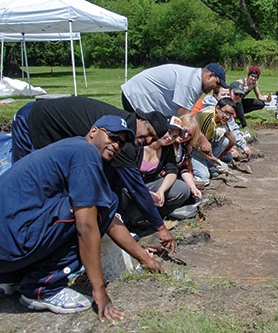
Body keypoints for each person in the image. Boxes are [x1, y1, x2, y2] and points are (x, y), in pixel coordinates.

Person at [0, 115, 162, 321]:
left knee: (98, 204)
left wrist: (143, 258)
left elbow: (112, 222)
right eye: (113, 137)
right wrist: (100, 291)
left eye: (122, 143)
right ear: (94, 131)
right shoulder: (85, 153)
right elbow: (87, 227)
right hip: (8, 248)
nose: (116, 145)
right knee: (98, 207)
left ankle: (12, 278)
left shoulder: (71, 148)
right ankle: (43, 287)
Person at [11, 97, 175, 251]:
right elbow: (136, 188)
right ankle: (17, 239)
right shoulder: (122, 135)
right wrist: (160, 227)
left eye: (153, 139)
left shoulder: (123, 136)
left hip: (58, 134)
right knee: (27, 184)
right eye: (148, 132)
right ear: (141, 119)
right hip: (34, 119)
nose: (147, 139)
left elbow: (113, 179)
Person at [120, 116, 190, 224]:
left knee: (182, 189)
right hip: (128, 184)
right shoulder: (139, 143)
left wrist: (161, 191)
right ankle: (127, 219)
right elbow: (125, 173)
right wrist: (144, 192)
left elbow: (172, 170)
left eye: (174, 136)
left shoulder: (167, 148)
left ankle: (150, 217)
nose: (170, 138)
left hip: (149, 184)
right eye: (169, 132)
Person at [121, 63, 228, 117]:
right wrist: (201, 140)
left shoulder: (197, 81)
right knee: (143, 134)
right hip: (135, 96)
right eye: (217, 83)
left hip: (141, 98)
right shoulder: (191, 82)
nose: (216, 88)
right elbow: (184, 116)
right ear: (210, 75)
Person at [192, 97, 237, 183]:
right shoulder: (208, 118)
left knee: (225, 141)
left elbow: (232, 141)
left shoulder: (222, 119)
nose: (227, 116)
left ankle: (208, 165)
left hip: (204, 146)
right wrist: (217, 161)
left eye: (230, 114)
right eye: (226, 112)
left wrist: (226, 130)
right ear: (217, 109)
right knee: (204, 179)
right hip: (192, 148)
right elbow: (199, 146)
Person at [174, 113, 203, 198]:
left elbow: (185, 169)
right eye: (184, 131)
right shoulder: (166, 143)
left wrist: (193, 187)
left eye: (189, 135)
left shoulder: (185, 148)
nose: (185, 136)